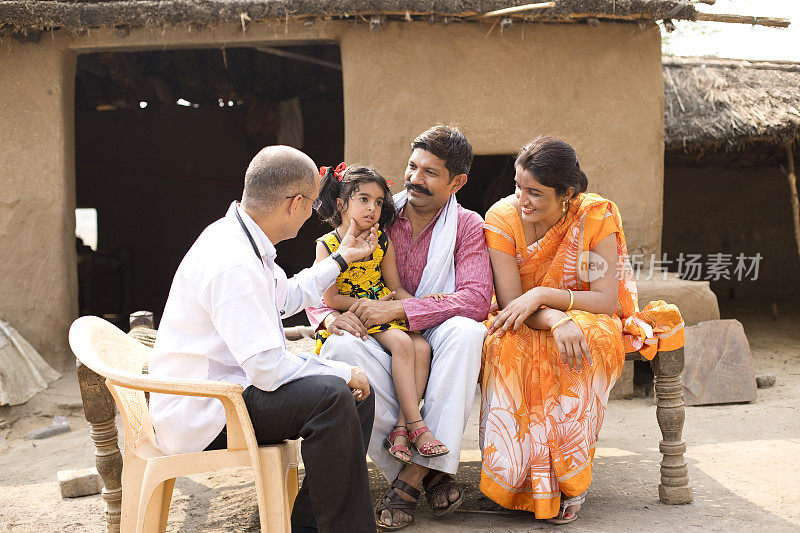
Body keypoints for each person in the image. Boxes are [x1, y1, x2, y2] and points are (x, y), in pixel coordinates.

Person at [148, 145, 381, 533]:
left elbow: (285, 297)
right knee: (334, 396)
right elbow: (268, 368)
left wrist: (341, 259)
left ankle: (312, 526)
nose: (312, 214)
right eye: (312, 203)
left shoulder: (240, 238)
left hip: (226, 390)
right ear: (294, 203)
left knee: (353, 395)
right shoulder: (233, 262)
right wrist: (342, 371)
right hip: (207, 409)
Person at [479, 136, 685, 524]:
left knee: (588, 339)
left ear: (567, 194)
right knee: (510, 346)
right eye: (518, 186)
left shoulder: (594, 217)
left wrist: (543, 293)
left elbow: (604, 299)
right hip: (522, 318)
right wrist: (555, 318)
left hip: (585, 313)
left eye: (535, 193)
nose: (522, 199)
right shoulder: (501, 219)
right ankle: (523, 480)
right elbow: (510, 304)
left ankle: (569, 480)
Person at [307, 125, 493, 530]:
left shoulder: (467, 226)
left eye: (430, 172)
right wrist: (328, 316)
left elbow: (477, 299)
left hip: (434, 331)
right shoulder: (376, 213)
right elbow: (318, 282)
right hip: (376, 332)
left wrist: (399, 311)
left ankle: (411, 477)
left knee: (469, 333)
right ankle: (431, 470)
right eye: (412, 166)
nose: (414, 179)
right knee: (338, 350)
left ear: (457, 182)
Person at [313, 163, 449, 464]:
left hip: (383, 310)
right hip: (355, 315)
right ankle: (417, 424)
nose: (372, 208)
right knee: (403, 343)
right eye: (363, 199)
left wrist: (420, 301)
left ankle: (401, 429)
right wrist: (364, 305)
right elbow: (330, 296)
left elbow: (395, 287)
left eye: (378, 202)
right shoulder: (329, 245)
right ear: (341, 203)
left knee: (422, 347)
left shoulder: (381, 242)